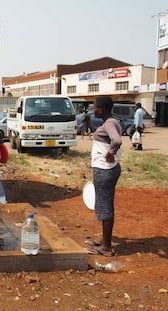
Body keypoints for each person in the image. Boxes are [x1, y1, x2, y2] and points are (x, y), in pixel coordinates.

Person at [87, 96, 122, 257]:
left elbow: (117, 140)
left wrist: (110, 153)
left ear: (101, 109)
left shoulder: (109, 124)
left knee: (105, 206)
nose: (93, 110)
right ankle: (104, 240)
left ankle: (106, 247)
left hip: (105, 170)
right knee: (103, 204)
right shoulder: (112, 122)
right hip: (107, 169)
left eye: (94, 107)